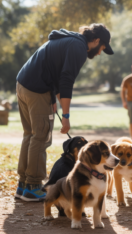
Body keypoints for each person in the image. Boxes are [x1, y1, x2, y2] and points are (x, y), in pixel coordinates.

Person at [15, 23, 114, 201]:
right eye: (102, 48)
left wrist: (53, 99)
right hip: (37, 89)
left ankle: (23, 185)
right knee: (41, 136)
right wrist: (66, 116)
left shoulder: (69, 40)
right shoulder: (79, 48)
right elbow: (66, 79)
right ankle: (33, 186)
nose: (99, 53)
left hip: (23, 84)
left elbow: (55, 71)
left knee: (30, 135)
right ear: (96, 40)